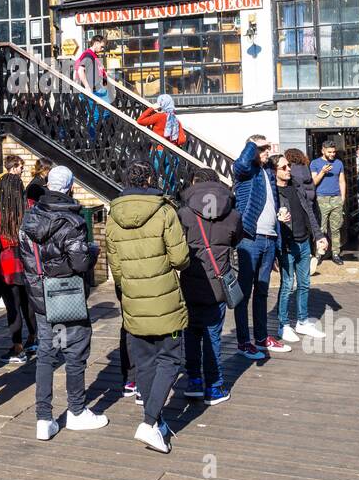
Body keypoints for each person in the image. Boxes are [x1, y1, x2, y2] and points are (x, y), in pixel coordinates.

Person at [106, 160, 190, 454]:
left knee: (144, 362)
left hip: (132, 296)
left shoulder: (112, 216)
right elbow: (180, 259)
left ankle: (157, 420)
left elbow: (115, 266)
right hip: (165, 295)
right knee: (170, 359)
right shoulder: (165, 210)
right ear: (151, 178)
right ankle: (150, 422)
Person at [19, 164, 108, 439]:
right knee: (75, 351)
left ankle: (43, 418)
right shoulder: (73, 221)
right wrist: (92, 253)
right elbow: (79, 262)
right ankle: (77, 411)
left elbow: (28, 260)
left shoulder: (29, 218)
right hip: (67, 295)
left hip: (40, 295)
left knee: (46, 354)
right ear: (70, 187)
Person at [177, 165, 240, 405]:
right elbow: (237, 238)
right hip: (219, 282)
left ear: (195, 183)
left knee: (191, 333)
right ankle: (214, 387)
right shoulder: (232, 213)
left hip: (192, 281)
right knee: (214, 334)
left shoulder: (184, 213)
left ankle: (193, 380)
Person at [231, 135, 288, 358]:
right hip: (250, 238)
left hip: (270, 238)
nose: (266, 151)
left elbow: (272, 202)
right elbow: (240, 164)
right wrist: (253, 146)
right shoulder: (247, 171)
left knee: (262, 291)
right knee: (244, 293)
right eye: (262, 148)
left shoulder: (266, 172)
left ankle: (262, 337)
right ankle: (244, 341)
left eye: (267, 147)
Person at [0, 173, 37, 364]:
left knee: (13, 307)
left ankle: (17, 347)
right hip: (29, 264)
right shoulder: (29, 206)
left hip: (5, 266)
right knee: (29, 304)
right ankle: (33, 339)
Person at [274, 151, 328, 344]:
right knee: (288, 285)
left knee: (305, 283)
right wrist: (277, 221)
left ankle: (303, 321)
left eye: (288, 166)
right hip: (287, 244)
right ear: (274, 171)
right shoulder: (272, 192)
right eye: (283, 167)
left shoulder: (296, 186)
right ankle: (283, 325)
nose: (289, 169)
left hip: (303, 240)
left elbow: (309, 212)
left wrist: (319, 235)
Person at [310, 141, 346, 266]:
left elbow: (342, 181)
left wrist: (343, 198)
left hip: (336, 198)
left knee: (336, 228)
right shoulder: (315, 163)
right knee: (321, 228)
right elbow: (313, 182)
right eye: (329, 152)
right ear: (323, 151)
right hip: (321, 199)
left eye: (333, 152)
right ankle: (319, 254)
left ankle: (336, 254)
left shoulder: (338, 163)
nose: (332, 154)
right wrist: (323, 172)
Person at [73, 34, 109, 140]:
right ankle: (91, 138)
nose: (102, 49)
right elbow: (80, 70)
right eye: (102, 47)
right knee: (96, 115)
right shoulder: (88, 55)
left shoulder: (93, 56)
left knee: (106, 112)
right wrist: (87, 86)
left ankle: (93, 135)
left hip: (97, 89)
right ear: (96, 43)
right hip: (90, 90)